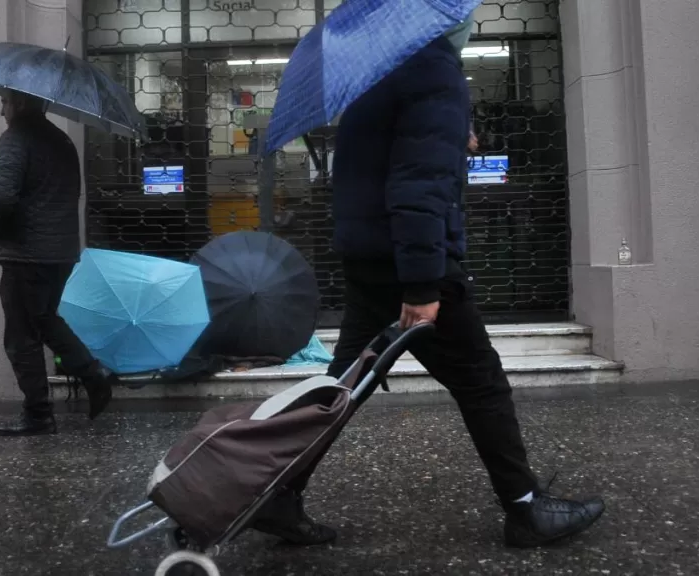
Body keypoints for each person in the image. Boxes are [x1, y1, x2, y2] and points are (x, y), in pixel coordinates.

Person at [251, 36, 605, 548]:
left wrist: (452, 136)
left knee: (342, 387)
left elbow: (387, 159)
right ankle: (526, 508)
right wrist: (422, 286)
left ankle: (278, 492)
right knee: (481, 382)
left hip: (370, 256)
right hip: (410, 265)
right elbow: (416, 188)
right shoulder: (432, 64)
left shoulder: (380, 65)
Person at [0, 90, 115, 437]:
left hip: (26, 254)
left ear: (20, 103)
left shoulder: (16, 140)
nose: (1, 110)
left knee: (21, 337)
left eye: (4, 101)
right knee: (44, 320)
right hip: (60, 253)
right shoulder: (61, 140)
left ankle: (38, 414)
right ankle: (93, 375)